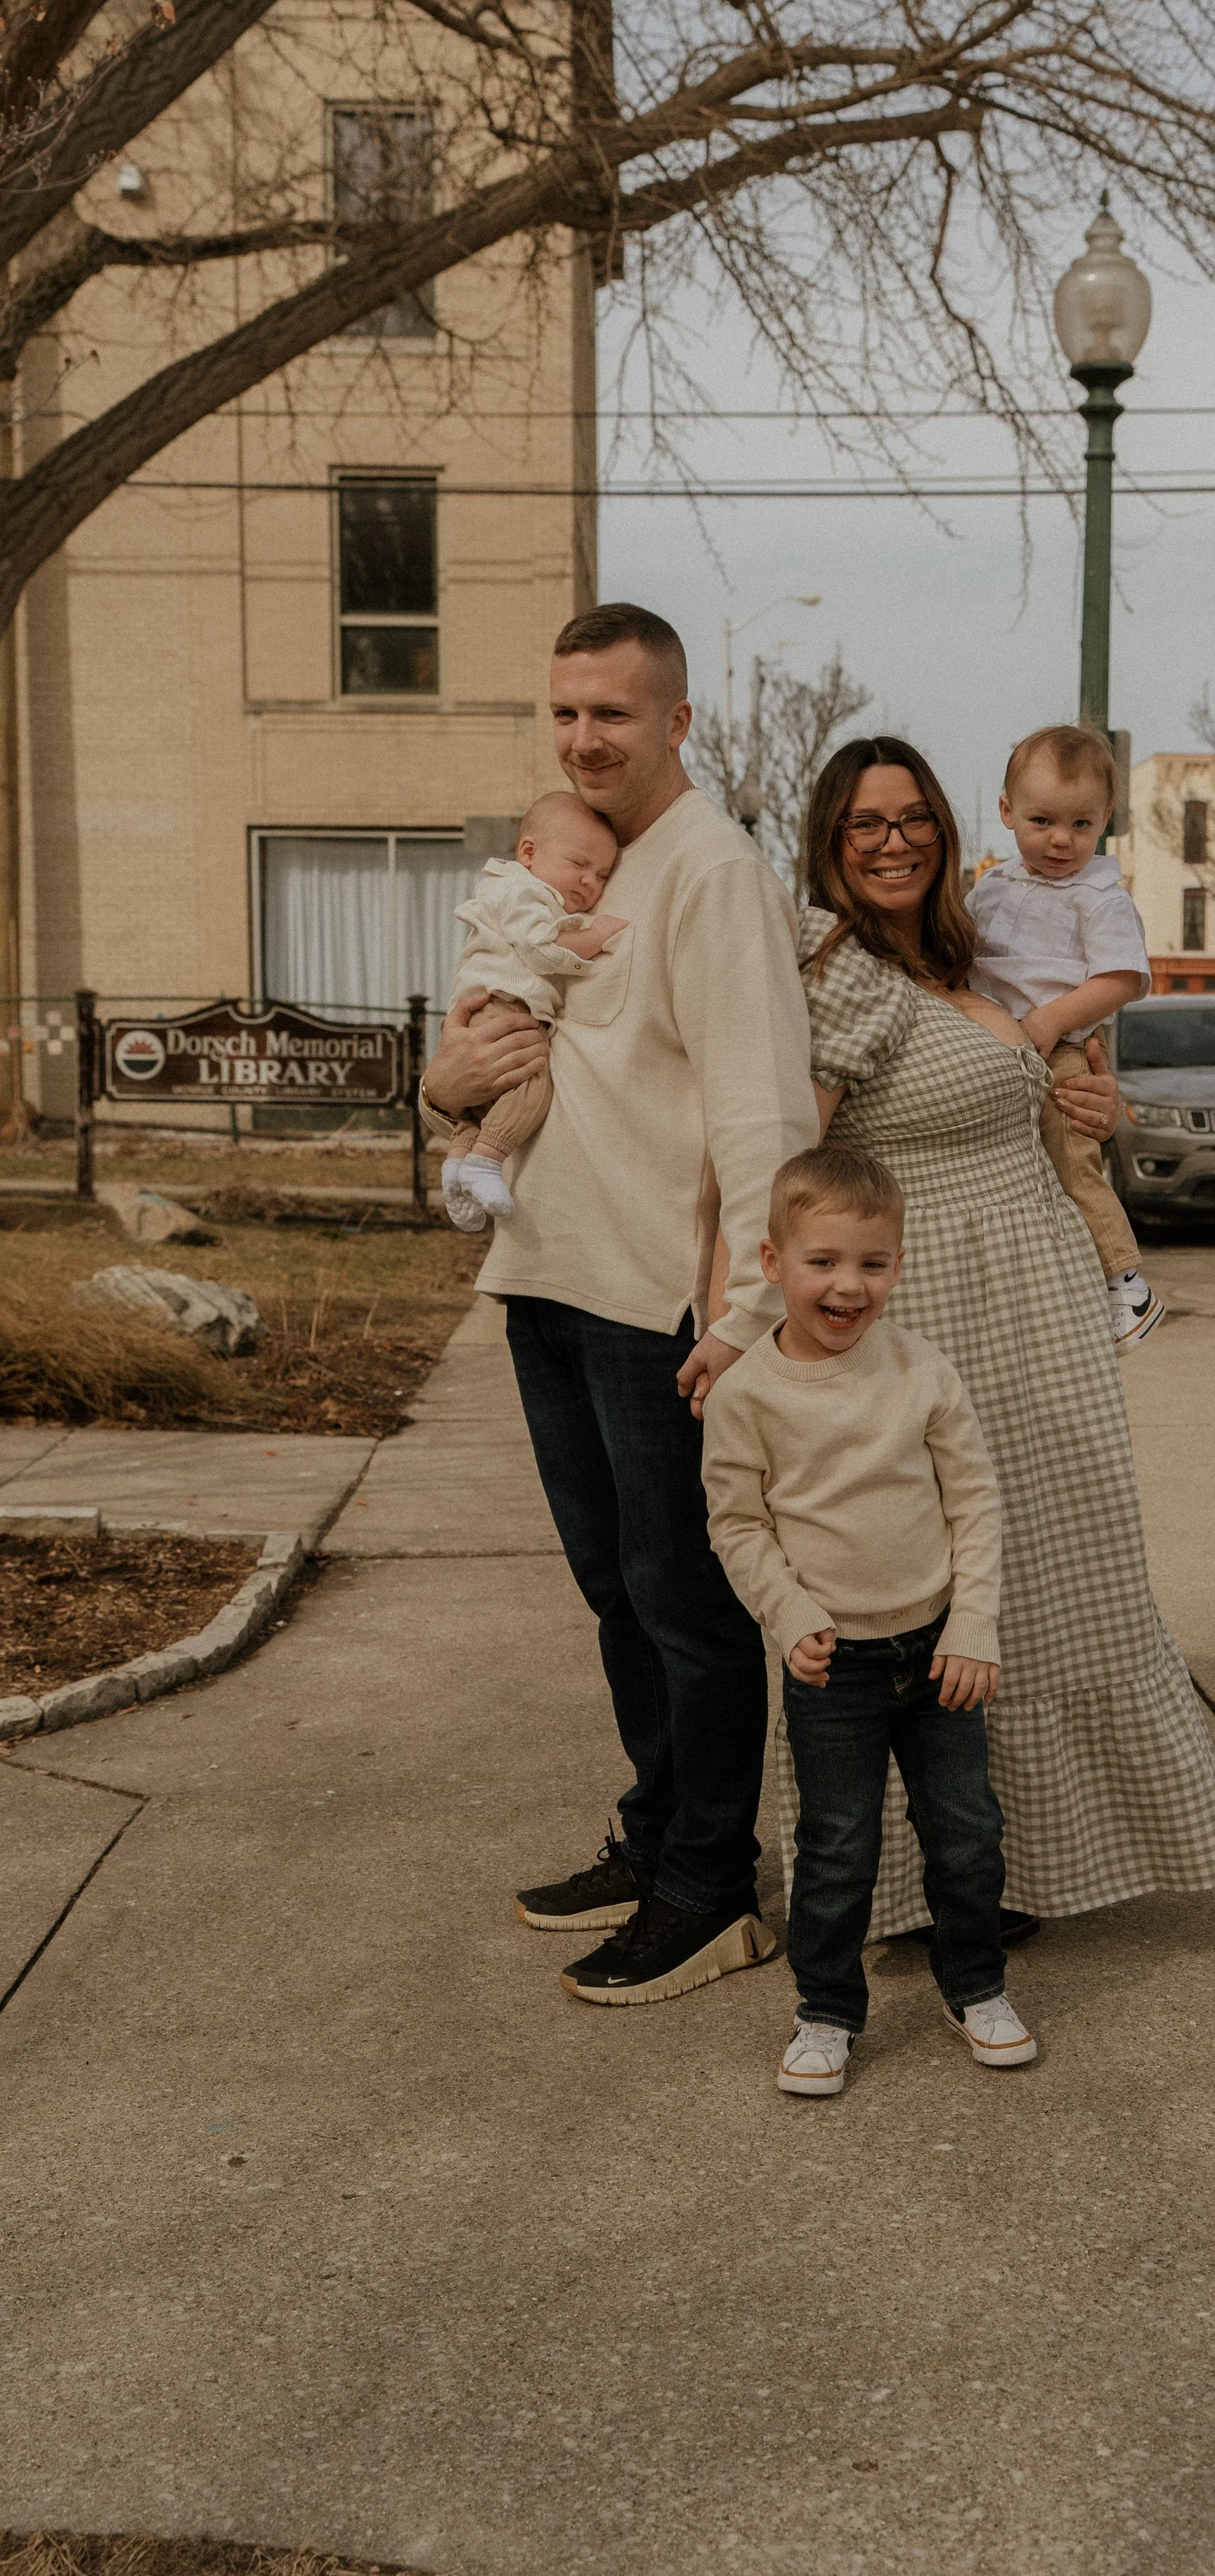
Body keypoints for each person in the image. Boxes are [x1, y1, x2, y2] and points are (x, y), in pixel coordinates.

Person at [420, 604, 820, 2008]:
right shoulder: (578, 862)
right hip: (546, 1276)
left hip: (659, 1303)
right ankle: (657, 1835)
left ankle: (714, 1889)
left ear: (678, 722)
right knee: (615, 1594)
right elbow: (473, 1052)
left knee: (686, 1601)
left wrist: (750, 1315)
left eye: (615, 714)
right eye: (567, 713)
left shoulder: (709, 872)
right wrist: (445, 1088)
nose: (586, 738)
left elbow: (764, 1107)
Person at [784, 734, 1215, 1942]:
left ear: (947, 828)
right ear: (830, 842)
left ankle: (1034, 1856)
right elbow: (794, 1166)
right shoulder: (841, 970)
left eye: (910, 819)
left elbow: (1043, 1088)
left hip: (1039, 1310)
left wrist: (1094, 1100)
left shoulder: (975, 952)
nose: (891, 842)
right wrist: (768, 1319)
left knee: (1056, 1580)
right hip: (934, 1309)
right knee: (936, 1586)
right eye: (863, 824)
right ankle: (928, 1886)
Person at [703, 1144, 1035, 2097]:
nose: (849, 1285)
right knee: (838, 1842)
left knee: (966, 1830)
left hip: (940, 1650)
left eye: (873, 1263)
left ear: (898, 1262)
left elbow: (974, 1501)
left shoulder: (923, 1370)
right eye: (824, 1262)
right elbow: (737, 1523)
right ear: (773, 1262)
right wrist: (789, 1612)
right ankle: (827, 2009)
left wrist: (974, 1622)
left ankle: (975, 1985)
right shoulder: (747, 1395)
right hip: (830, 1659)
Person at [969, 723, 1164, 1350]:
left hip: (1058, 1052)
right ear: (1007, 813)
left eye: (1082, 825)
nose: (1061, 840)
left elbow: (1122, 979)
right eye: (1043, 821)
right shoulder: (992, 887)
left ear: (1105, 819)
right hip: (995, 1046)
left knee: (1072, 1163)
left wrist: (1051, 1020)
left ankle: (1125, 1284)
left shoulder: (1099, 896)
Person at [441, 791, 626, 1232]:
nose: (590, 883)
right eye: (579, 865)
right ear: (529, 853)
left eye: (602, 875)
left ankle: (457, 1166)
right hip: (505, 1006)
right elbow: (541, 948)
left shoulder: (516, 889)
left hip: (488, 1008)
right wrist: (593, 938)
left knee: (482, 1100)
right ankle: (486, 1163)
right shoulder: (525, 892)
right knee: (530, 1083)